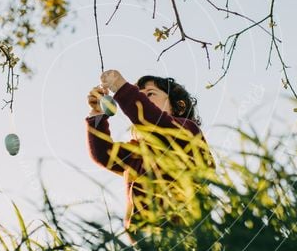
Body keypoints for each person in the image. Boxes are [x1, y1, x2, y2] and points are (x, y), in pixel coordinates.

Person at [85, 70, 213, 232]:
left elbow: (154, 121)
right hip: (146, 241)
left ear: (179, 106)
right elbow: (104, 154)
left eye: (150, 94)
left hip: (186, 230)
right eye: (140, 94)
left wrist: (122, 88)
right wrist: (98, 114)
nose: (142, 98)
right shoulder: (138, 150)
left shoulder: (186, 131)